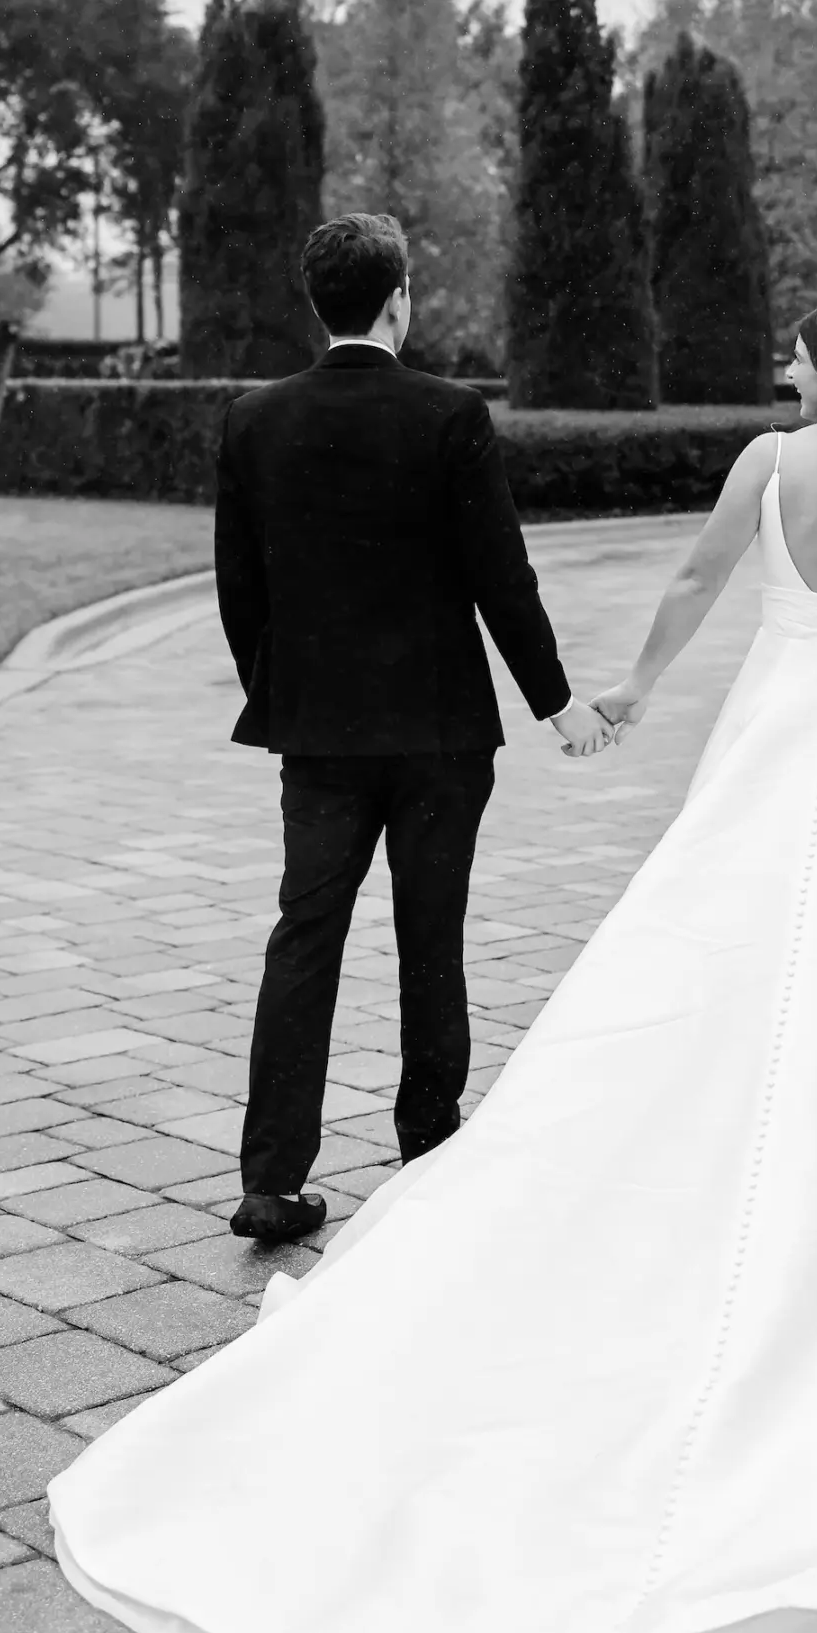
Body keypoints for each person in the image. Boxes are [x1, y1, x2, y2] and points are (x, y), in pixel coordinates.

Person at [48, 298, 817, 1633]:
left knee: (717, 939)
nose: (778, 362)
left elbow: (694, 588)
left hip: (778, 731)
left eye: (793, 350)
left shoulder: (771, 465)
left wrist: (636, 695)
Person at [212, 212, 613, 1246]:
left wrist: (281, 682)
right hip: (441, 731)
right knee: (431, 932)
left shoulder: (255, 419)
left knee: (305, 934)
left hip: (319, 736)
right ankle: (428, 1140)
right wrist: (556, 700)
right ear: (399, 298)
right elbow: (500, 575)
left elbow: (238, 588)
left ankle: (271, 1178)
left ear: (319, 304)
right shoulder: (450, 413)